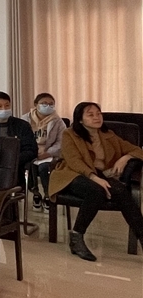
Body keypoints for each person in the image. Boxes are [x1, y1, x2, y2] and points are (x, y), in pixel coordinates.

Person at [48, 102, 143, 261]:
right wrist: (95, 178)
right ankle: (77, 237)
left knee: (121, 191)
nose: (96, 117)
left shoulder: (108, 134)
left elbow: (137, 150)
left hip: (100, 175)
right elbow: (74, 161)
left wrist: (126, 157)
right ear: (80, 119)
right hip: (71, 174)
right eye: (90, 114)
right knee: (96, 190)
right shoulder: (69, 134)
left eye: (98, 113)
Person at [21, 92, 67, 209]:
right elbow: (21, 139)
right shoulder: (25, 119)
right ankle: (35, 193)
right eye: (44, 103)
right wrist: (30, 151)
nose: (48, 106)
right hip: (30, 152)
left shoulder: (58, 121)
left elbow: (61, 142)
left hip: (49, 154)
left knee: (44, 168)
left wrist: (47, 153)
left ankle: (48, 194)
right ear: (36, 104)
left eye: (51, 104)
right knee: (26, 166)